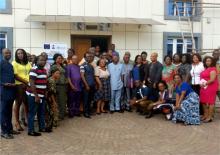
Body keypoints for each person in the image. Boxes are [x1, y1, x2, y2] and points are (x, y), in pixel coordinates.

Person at [0, 49, 20, 139]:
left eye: (9, 53)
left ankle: (9, 129)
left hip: (11, 91)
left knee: (9, 111)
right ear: (2, 54)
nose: (8, 54)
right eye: (6, 53)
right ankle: (4, 132)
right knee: (4, 112)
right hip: (4, 91)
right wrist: (4, 83)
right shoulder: (1, 63)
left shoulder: (10, 65)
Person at [26, 55, 48, 136]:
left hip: (42, 95)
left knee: (41, 112)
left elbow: (44, 82)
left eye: (44, 60)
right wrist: (36, 96)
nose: (43, 61)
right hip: (33, 95)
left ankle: (42, 127)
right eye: (41, 60)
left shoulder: (44, 70)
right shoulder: (34, 69)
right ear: (37, 61)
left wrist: (44, 93)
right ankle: (31, 131)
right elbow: (31, 83)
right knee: (32, 113)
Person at [12, 49, 32, 131]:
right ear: (16, 55)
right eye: (18, 53)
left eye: (21, 53)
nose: (20, 55)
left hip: (27, 85)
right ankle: (17, 123)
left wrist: (29, 83)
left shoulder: (28, 63)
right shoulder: (14, 63)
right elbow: (15, 76)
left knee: (27, 103)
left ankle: (28, 121)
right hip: (19, 85)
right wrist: (25, 82)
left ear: (24, 54)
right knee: (18, 104)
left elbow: (30, 73)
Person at [200, 56, 218, 123]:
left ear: (212, 62)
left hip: (211, 87)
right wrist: (201, 84)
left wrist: (204, 84)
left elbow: (212, 79)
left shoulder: (213, 69)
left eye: (209, 61)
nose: (208, 62)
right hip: (203, 87)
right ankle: (205, 115)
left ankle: (210, 117)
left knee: (210, 102)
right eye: (206, 61)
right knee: (203, 101)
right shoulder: (205, 69)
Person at [50, 53, 67, 120]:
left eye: (61, 58)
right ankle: (56, 116)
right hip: (56, 85)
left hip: (63, 85)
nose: (60, 59)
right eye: (58, 58)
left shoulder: (63, 66)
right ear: (55, 59)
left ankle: (61, 115)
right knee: (56, 101)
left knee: (62, 101)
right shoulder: (53, 66)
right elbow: (50, 75)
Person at [80, 52, 95, 118]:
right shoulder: (82, 65)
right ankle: (85, 112)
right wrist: (86, 85)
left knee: (90, 99)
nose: (89, 57)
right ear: (85, 58)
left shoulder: (91, 66)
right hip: (86, 86)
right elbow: (82, 76)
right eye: (87, 56)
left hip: (92, 85)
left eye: (90, 56)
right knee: (85, 100)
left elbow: (93, 76)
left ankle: (89, 111)